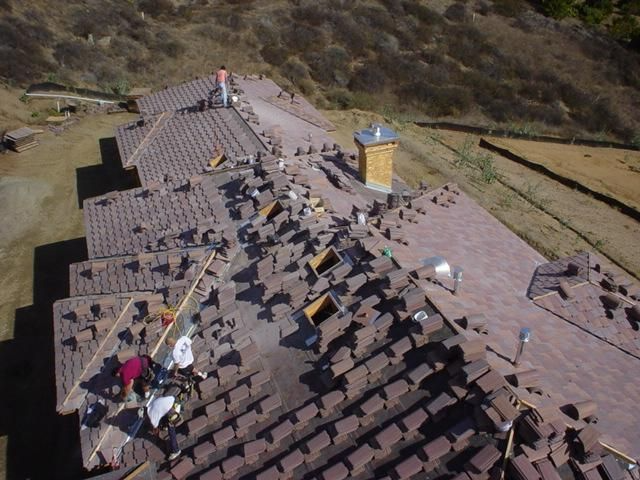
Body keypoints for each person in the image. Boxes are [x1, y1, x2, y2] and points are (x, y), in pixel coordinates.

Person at [146, 392, 182, 461]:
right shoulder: (152, 404)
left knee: (171, 430)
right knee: (164, 417)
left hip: (174, 411)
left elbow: (155, 430)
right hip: (174, 400)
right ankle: (165, 424)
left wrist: (156, 435)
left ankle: (175, 451)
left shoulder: (153, 418)